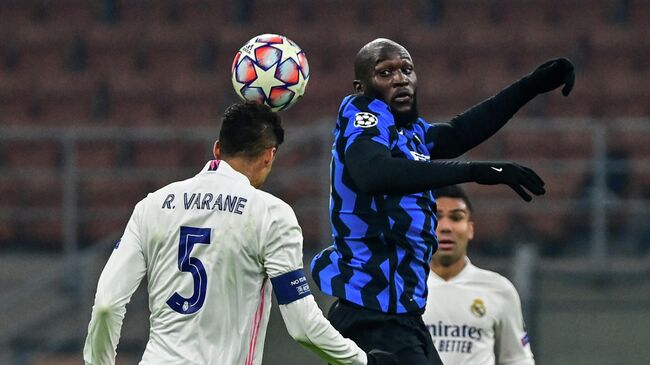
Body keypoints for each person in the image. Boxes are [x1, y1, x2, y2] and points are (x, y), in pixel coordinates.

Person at [310, 38, 574, 364]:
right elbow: (372, 173)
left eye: (406, 69)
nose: (400, 78)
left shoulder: (408, 134)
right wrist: (475, 171)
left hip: (402, 316)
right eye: (385, 72)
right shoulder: (363, 118)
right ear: (361, 86)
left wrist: (531, 86)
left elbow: (458, 132)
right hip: (371, 316)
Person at [83, 102, 396, 365]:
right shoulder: (271, 215)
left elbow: (107, 305)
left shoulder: (152, 205)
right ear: (269, 156)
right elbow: (302, 325)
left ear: (217, 148)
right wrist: (362, 360)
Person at [423, 185, 535, 365]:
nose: (445, 227)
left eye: (456, 217)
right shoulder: (403, 289)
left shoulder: (499, 289)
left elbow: (517, 358)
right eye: (436, 217)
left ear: (470, 229)